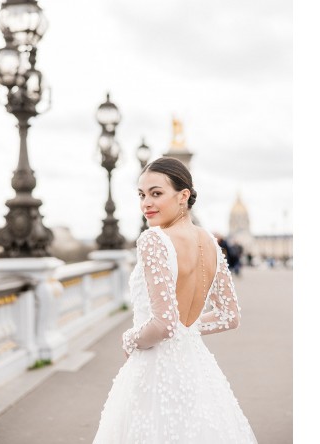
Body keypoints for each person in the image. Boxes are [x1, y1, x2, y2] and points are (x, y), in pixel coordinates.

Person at [93, 157, 257, 443]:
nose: (146, 203)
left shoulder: (153, 240)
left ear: (183, 196)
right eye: (141, 195)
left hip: (156, 368)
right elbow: (229, 316)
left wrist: (130, 339)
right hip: (197, 367)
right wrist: (186, 331)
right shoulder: (210, 242)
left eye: (156, 193)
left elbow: (164, 324)